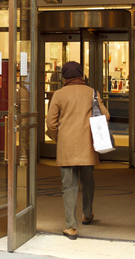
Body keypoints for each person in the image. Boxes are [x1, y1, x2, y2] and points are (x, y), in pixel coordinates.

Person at [45, 61, 110, 240]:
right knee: (88, 181)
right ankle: (87, 214)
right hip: (87, 145)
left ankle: (71, 227)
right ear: (81, 75)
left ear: (64, 76)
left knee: (69, 186)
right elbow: (106, 116)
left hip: (66, 147)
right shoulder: (92, 93)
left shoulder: (58, 95)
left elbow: (51, 123)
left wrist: (58, 137)